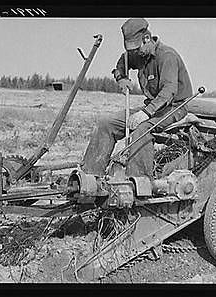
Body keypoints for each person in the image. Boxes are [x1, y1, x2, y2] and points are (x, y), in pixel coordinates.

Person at [82, 18, 193, 179]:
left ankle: (138, 182)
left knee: (141, 129)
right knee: (106, 123)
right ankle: (90, 177)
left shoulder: (167, 56)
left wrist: (145, 113)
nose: (134, 53)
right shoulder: (139, 54)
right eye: (131, 49)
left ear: (146, 39)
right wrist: (121, 78)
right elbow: (122, 61)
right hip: (153, 108)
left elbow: (169, 91)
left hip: (174, 108)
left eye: (136, 48)